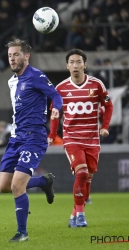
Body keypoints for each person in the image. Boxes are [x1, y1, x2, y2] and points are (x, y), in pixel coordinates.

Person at [0, 39, 63, 242]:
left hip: (34, 137)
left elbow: (56, 95)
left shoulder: (36, 76)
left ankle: (22, 233)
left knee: (18, 185)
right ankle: (44, 182)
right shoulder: (11, 81)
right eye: (10, 55)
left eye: (16, 54)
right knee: (4, 186)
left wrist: (56, 108)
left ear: (26, 56)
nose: (12, 58)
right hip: (16, 138)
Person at [48, 49, 113, 228]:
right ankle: (81, 215)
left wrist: (105, 126)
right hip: (72, 138)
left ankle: (73, 214)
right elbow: (54, 113)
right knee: (82, 173)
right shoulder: (60, 89)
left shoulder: (97, 84)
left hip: (92, 139)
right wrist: (52, 135)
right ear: (67, 66)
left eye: (78, 62)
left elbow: (108, 105)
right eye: (72, 62)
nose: (75, 65)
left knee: (88, 179)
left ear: (85, 65)